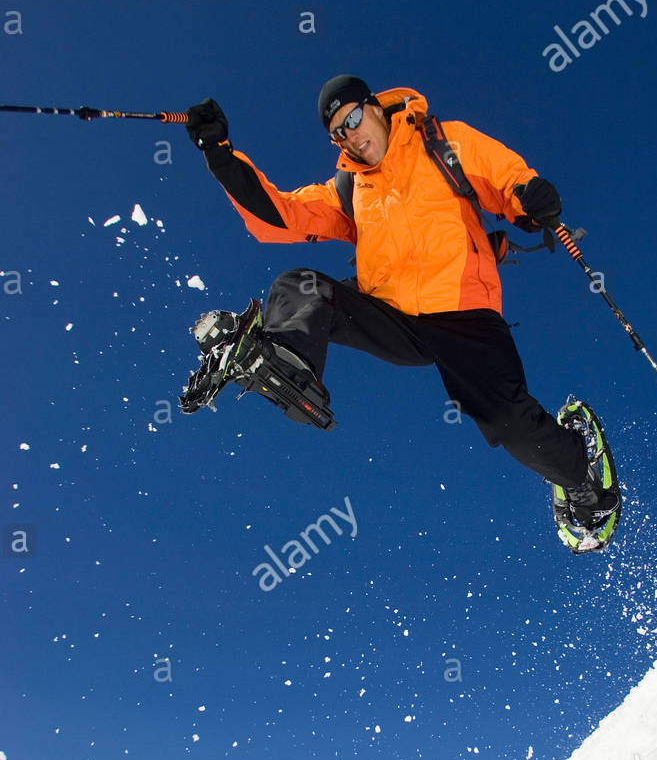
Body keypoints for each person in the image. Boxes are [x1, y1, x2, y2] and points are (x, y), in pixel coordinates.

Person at [181, 75, 618, 532]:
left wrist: (529, 196)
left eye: (352, 118)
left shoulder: (443, 142)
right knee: (299, 285)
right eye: (338, 132)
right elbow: (281, 214)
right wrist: (220, 154)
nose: (350, 134)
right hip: (393, 317)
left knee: (508, 421)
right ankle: (286, 360)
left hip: (462, 311)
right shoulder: (349, 189)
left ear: (374, 107)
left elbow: (503, 177)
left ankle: (581, 476)